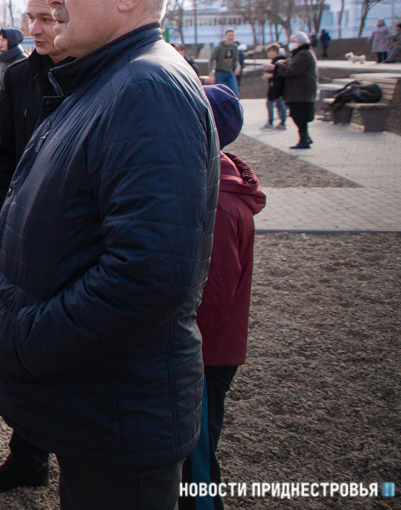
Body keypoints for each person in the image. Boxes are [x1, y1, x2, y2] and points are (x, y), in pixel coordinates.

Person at [0, 0, 218, 510]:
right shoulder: (110, 78)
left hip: (119, 414)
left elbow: (149, 273)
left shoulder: (147, 89)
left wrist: (30, 340)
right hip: (96, 402)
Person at [0, 0, 67, 495]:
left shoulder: (97, 75)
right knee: (23, 345)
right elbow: (4, 151)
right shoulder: (19, 76)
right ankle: (28, 455)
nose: (35, 28)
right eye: (30, 18)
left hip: (73, 235)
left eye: (47, 18)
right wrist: (0, 211)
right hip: (21, 233)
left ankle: (74, 458)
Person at [180, 85, 266, 510]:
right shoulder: (218, 181)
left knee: (196, 454)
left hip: (205, 353)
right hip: (206, 349)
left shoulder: (220, 203)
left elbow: (211, 300)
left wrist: (177, 337)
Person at [269, 31, 317, 150]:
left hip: (301, 92)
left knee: (300, 116)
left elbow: (291, 71)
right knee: (298, 115)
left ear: (299, 42)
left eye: (293, 41)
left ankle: (304, 140)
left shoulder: (303, 54)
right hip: (299, 91)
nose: (291, 44)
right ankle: (305, 137)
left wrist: (280, 66)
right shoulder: (300, 53)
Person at [0, 28, 25, 92]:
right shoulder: (1, 57)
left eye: (3, 40)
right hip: (1, 97)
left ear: (12, 41)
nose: (0, 43)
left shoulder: (22, 59)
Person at [208, 28, 241, 95]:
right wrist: (211, 74)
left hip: (229, 72)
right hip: (219, 72)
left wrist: (237, 66)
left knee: (235, 92)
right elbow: (211, 59)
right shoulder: (219, 47)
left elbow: (235, 59)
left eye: (232, 36)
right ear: (225, 36)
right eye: (229, 36)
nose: (231, 38)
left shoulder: (234, 47)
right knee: (217, 92)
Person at [262, 43, 287, 130]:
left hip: (275, 85)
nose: (268, 54)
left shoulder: (278, 61)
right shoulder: (281, 60)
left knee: (270, 103)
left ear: (274, 52)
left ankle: (271, 122)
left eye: (269, 52)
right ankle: (282, 121)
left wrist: (269, 75)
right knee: (279, 103)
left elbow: (278, 72)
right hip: (279, 85)